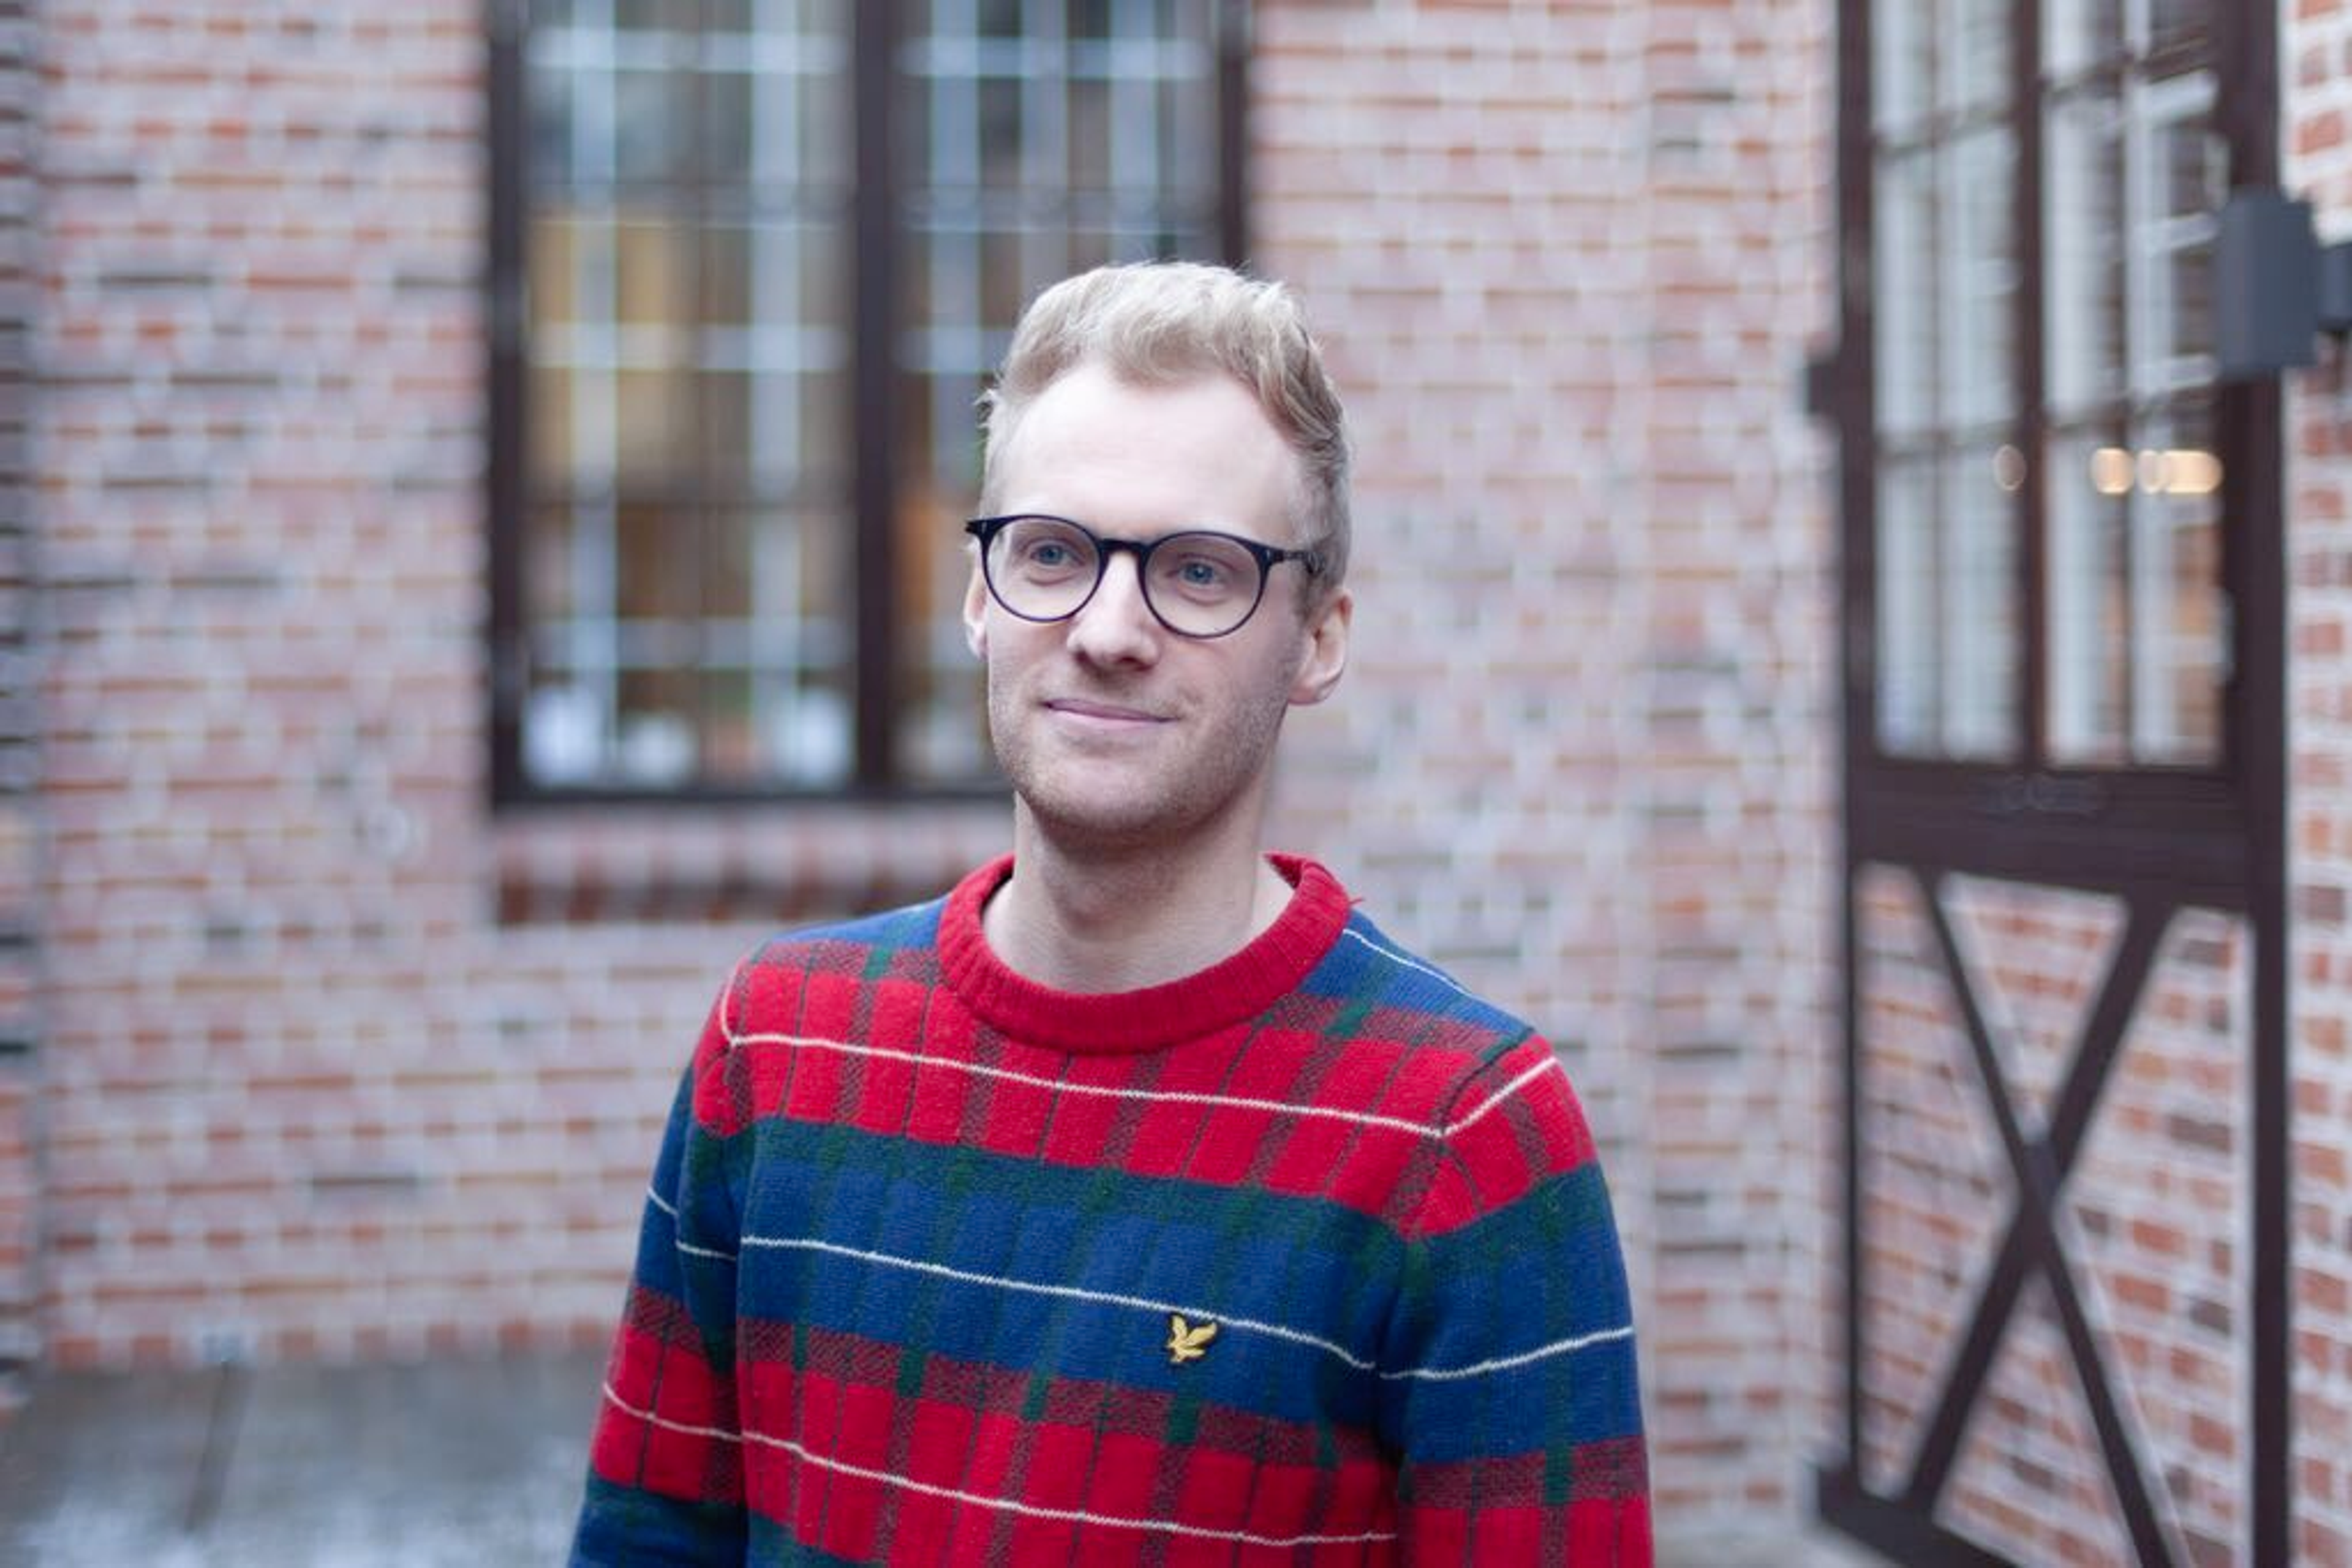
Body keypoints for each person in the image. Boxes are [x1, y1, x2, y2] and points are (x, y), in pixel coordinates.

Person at [570, 261, 1651, 1563]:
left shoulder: (1462, 1134)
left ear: (1318, 638)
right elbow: (647, 1543)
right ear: (980, 597)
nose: (1108, 626)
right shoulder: (782, 1046)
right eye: (1052, 552)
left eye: (1199, 571)